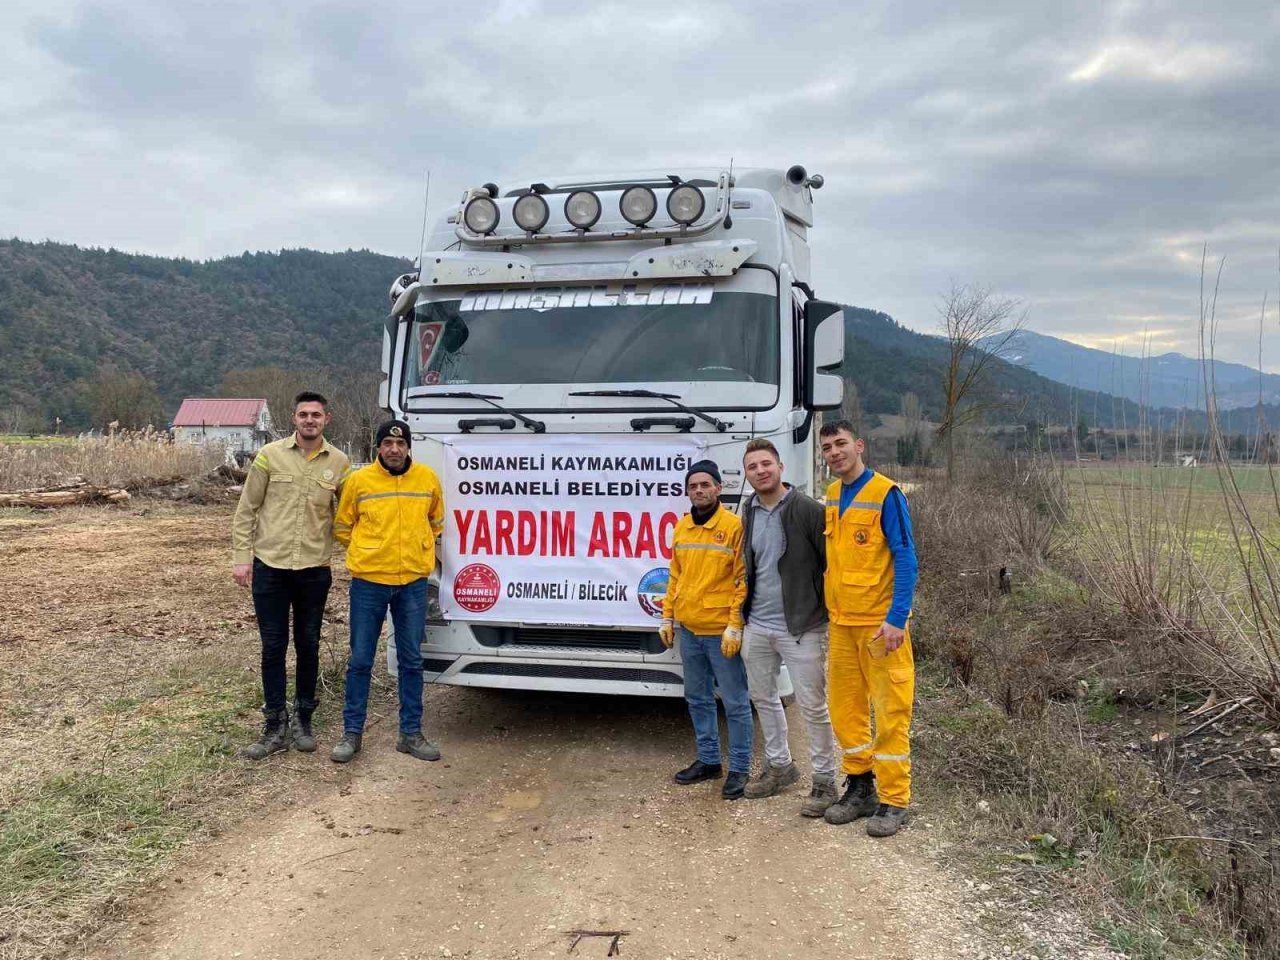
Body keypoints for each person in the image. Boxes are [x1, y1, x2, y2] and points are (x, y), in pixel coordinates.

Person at [231, 391, 350, 759]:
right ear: (293, 418)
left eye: (316, 415)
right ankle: (274, 725)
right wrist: (242, 557)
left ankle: (303, 719)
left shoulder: (341, 463)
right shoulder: (270, 456)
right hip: (271, 566)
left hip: (314, 568)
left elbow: (347, 518)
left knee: (309, 643)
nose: (309, 420)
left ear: (326, 419)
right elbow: (247, 509)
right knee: (272, 645)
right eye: (303, 414)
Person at [818, 419, 919, 837]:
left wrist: (897, 619)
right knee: (845, 711)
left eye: (841, 443)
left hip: (881, 628)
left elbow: (906, 558)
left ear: (859, 446)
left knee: (891, 712)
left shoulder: (886, 494)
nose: (835, 452)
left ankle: (895, 801)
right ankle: (861, 788)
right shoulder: (831, 495)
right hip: (842, 624)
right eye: (827, 447)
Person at [330, 419, 444, 764]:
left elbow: (436, 522)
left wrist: (418, 549)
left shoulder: (427, 479)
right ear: (377, 447)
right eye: (387, 444)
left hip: (412, 583)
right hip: (369, 583)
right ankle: (352, 735)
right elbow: (342, 526)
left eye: (400, 444)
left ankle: (410, 733)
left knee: (411, 659)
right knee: (361, 659)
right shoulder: (359, 481)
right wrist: (369, 551)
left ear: (409, 447)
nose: (394, 450)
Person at [738, 439, 839, 817]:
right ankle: (780, 767)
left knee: (813, 706)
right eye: (752, 466)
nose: (760, 471)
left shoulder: (809, 510)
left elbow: (832, 562)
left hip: (801, 626)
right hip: (758, 624)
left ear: (780, 466)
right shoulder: (748, 510)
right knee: (763, 698)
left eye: (766, 463)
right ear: (747, 475)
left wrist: (827, 609)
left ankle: (825, 780)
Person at [660, 459, 752, 800]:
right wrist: (667, 616)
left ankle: (740, 768)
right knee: (697, 698)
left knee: (735, 701)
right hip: (689, 630)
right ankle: (709, 760)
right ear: (688, 491)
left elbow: (742, 580)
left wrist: (734, 625)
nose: (699, 490)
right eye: (693, 486)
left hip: (719, 633)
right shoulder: (682, 528)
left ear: (718, 488)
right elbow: (675, 577)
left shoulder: (734, 527)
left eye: (705, 484)